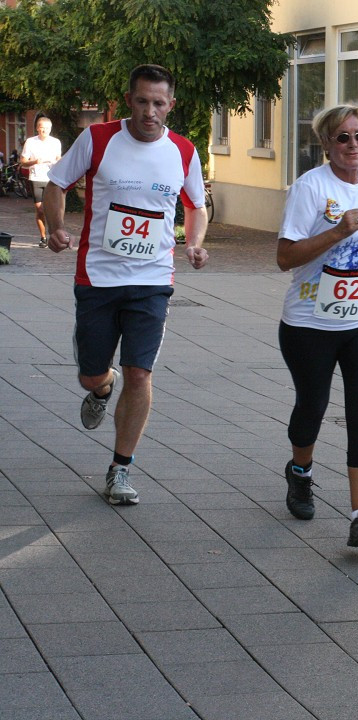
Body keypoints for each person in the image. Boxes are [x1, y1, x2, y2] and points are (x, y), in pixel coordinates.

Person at [43, 64, 209, 506]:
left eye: (159, 103)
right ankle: (101, 385)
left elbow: (196, 205)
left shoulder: (184, 151)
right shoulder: (98, 139)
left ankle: (120, 469)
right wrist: (56, 228)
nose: (150, 111)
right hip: (97, 277)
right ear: (128, 100)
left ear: (171, 105)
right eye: (142, 101)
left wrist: (194, 243)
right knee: (90, 373)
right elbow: (57, 183)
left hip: (153, 281)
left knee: (141, 372)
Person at [276, 104, 358, 549]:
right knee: (312, 405)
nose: (353, 145)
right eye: (343, 137)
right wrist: (335, 232)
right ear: (327, 144)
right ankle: (300, 472)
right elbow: (284, 258)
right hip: (310, 322)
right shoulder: (310, 188)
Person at [21, 115, 63, 248]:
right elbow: (23, 162)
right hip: (36, 178)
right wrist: (34, 161)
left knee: (53, 209)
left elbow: (59, 158)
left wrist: (59, 162)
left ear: (50, 129)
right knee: (40, 210)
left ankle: (55, 235)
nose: (44, 131)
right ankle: (43, 237)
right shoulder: (30, 142)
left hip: (52, 179)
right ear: (37, 128)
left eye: (47, 128)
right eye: (42, 128)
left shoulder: (55, 142)